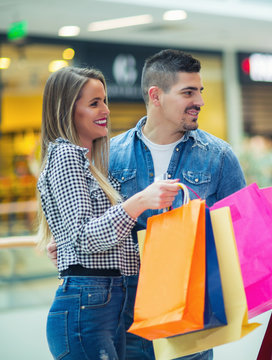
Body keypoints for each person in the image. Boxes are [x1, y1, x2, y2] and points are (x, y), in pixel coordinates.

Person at [48, 49, 246, 360]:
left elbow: (243, 232)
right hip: (124, 314)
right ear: (156, 95)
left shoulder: (218, 156)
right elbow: (87, 224)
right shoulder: (108, 155)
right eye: (188, 92)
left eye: (201, 91)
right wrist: (65, 244)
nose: (200, 101)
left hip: (189, 316)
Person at [37, 66, 181, 359]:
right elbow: (85, 238)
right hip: (87, 306)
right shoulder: (66, 155)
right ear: (67, 110)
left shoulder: (94, 166)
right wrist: (140, 201)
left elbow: (84, 238)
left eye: (105, 101)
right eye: (94, 103)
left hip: (105, 302)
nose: (105, 110)